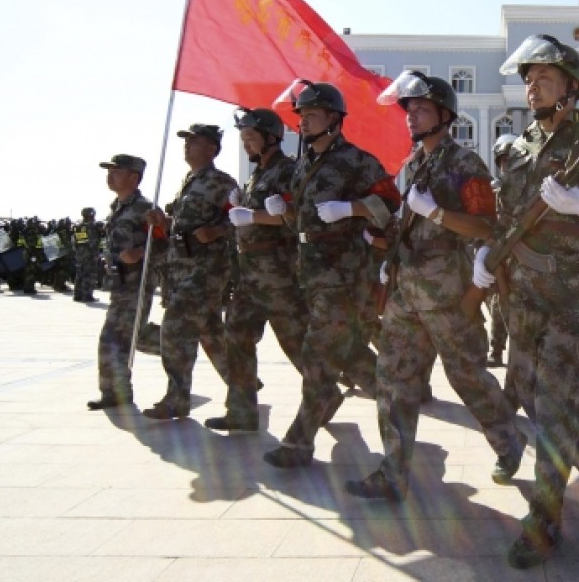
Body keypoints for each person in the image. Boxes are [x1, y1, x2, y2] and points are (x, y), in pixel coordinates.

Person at [473, 34, 579, 568]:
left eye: (543, 76)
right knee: (524, 390)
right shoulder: (515, 147)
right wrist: (485, 253)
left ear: (571, 86)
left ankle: (545, 521)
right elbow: (505, 215)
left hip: (572, 293)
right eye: (527, 77)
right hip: (520, 295)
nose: (531, 85)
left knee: (554, 407)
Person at [345, 72, 524, 501]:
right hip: (408, 294)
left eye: (421, 109)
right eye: (410, 111)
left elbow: (486, 225)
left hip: (448, 296)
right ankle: (393, 472)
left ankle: (508, 442)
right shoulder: (416, 165)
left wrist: (437, 213)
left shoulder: (466, 164)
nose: (412, 118)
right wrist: (387, 253)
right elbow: (410, 226)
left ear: (445, 115)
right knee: (392, 379)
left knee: (467, 376)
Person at [260, 79, 401, 468]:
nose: (304, 122)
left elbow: (390, 203)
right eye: (301, 116)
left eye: (312, 115)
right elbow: (298, 218)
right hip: (312, 272)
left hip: (344, 274)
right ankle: (395, 396)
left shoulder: (356, 161)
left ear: (335, 119)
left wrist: (352, 209)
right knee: (350, 353)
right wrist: (282, 210)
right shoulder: (305, 163)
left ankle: (298, 442)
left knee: (317, 353)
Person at [204, 108, 307, 433]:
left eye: (250, 138)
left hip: (279, 274)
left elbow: (295, 216)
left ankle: (324, 392)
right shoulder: (256, 175)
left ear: (271, 137)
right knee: (235, 334)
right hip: (249, 275)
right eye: (243, 138)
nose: (246, 144)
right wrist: (241, 206)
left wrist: (253, 215)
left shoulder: (288, 171)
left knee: (296, 343)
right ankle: (242, 410)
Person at [142, 124, 237, 420]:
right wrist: (163, 221)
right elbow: (181, 227)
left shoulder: (223, 183)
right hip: (181, 269)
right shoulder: (188, 182)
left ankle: (177, 398)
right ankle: (242, 383)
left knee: (175, 328)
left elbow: (241, 220)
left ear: (212, 149)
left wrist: (218, 230)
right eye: (186, 142)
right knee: (211, 334)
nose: (188, 146)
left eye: (195, 142)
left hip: (207, 270)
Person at [88, 155, 158, 409]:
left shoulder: (145, 208)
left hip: (137, 282)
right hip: (119, 283)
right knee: (128, 336)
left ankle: (116, 393)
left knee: (114, 337)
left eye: (117, 171)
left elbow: (164, 242)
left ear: (134, 177)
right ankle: (177, 344)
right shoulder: (117, 207)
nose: (110, 175)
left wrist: (138, 253)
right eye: (110, 171)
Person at [486, 133, 518, 368]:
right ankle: (496, 350)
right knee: (498, 304)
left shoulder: (527, 188)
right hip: (495, 256)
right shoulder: (492, 190)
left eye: (511, 159)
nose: (506, 164)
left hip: (521, 258)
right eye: (503, 160)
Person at [73, 208, 101, 302]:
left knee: (79, 273)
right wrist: (95, 253)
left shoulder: (78, 226)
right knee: (89, 274)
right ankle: (87, 295)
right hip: (89, 253)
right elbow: (92, 241)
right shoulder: (91, 226)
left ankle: (77, 295)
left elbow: (75, 242)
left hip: (80, 253)